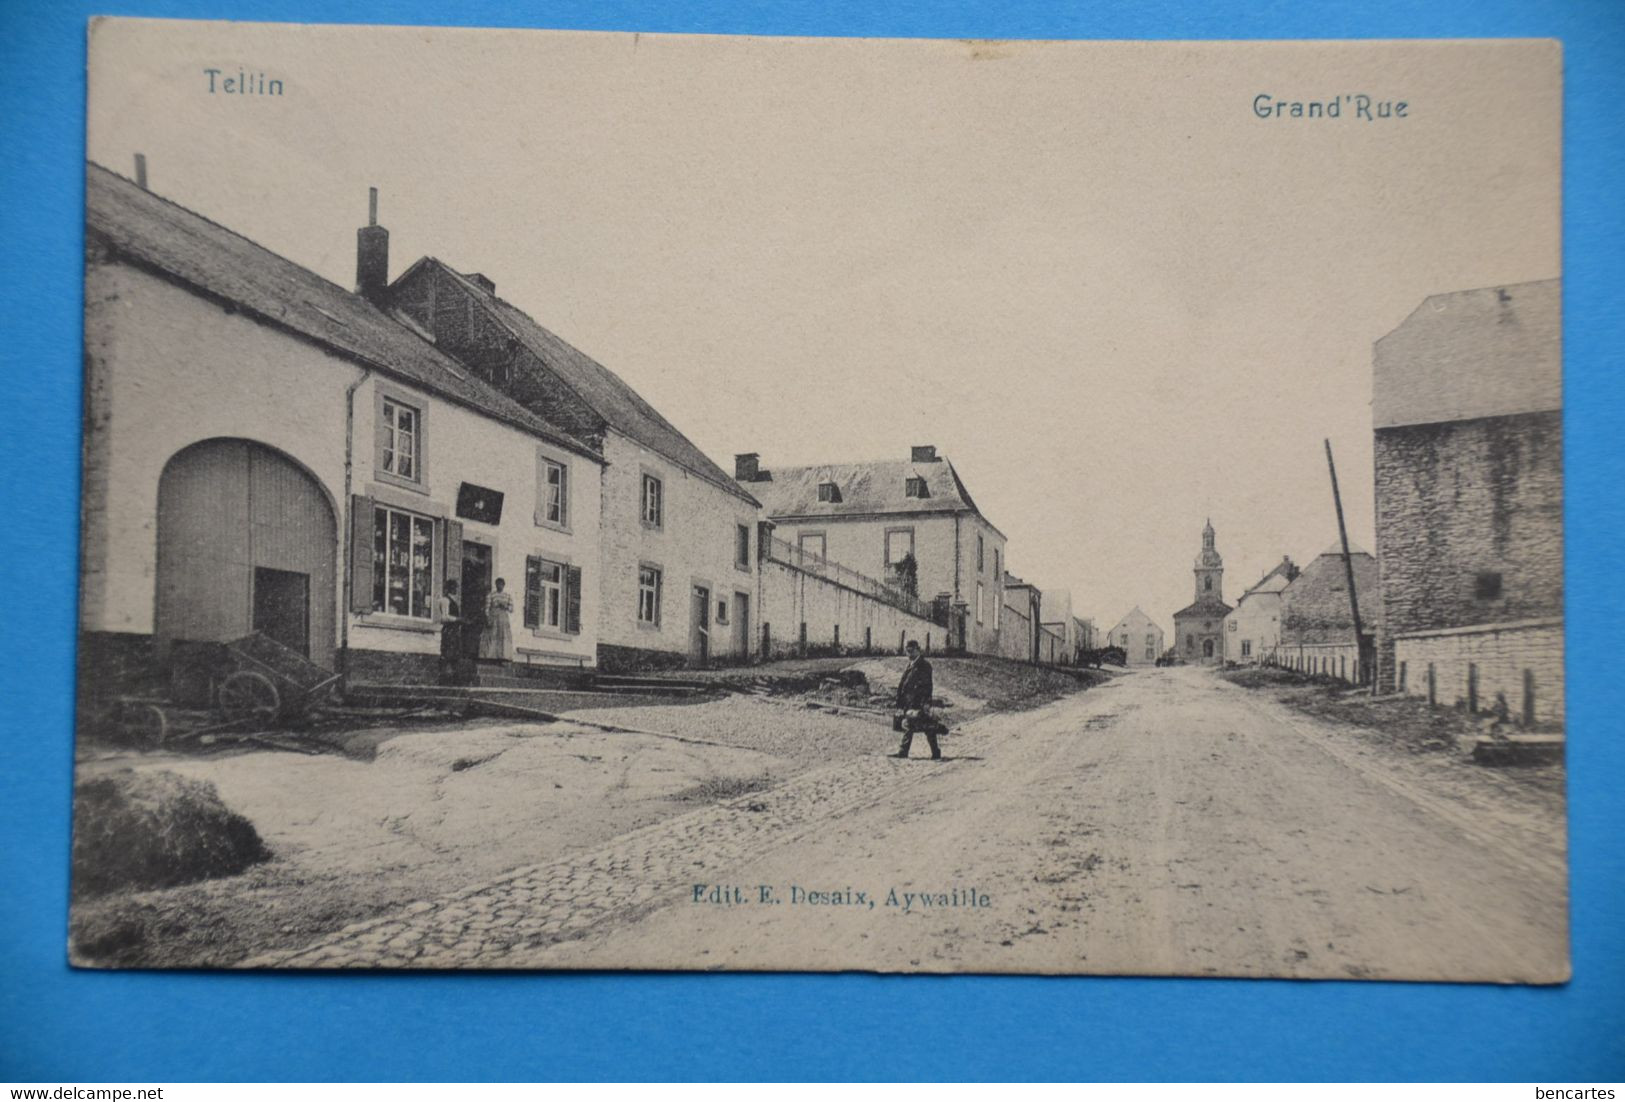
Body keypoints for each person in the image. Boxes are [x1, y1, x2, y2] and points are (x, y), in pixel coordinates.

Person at [894, 640, 942, 760]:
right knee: (922, 726)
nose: (909, 654)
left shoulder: (924, 665)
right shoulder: (910, 665)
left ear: (918, 650)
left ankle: (904, 752)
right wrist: (900, 703)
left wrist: (925, 703)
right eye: (907, 651)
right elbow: (903, 685)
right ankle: (934, 752)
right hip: (910, 703)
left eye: (911, 651)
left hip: (919, 703)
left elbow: (927, 686)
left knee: (923, 726)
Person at [479, 577, 514, 662]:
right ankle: (490, 656)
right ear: (496, 585)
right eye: (498, 584)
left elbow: (511, 609)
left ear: (504, 585)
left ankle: (502, 656)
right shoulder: (491, 595)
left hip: (503, 618)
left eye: (501, 584)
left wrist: (505, 606)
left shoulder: (507, 596)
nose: (500, 586)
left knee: (502, 636)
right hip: (493, 617)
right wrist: (487, 618)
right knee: (492, 635)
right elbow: (487, 608)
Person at [436, 579, 462, 681]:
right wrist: (457, 619)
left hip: (454, 630)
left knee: (454, 653)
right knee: (447, 653)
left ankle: (453, 677)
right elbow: (444, 617)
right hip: (448, 630)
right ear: (450, 588)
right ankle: (444, 677)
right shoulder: (445, 600)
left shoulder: (453, 601)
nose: (456, 589)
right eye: (454, 587)